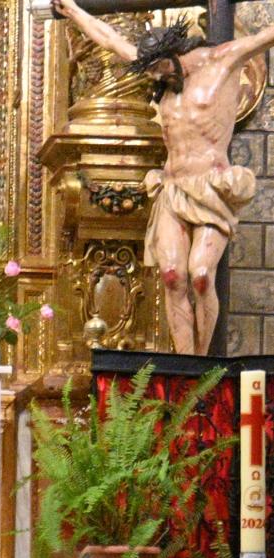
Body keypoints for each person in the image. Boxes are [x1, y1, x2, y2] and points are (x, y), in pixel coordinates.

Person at [52, 0, 274, 355]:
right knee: (172, 275)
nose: (153, 77)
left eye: (158, 68)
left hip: (210, 186)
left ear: (174, 53)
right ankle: (184, 370)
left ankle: (201, 364)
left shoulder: (223, 60)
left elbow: (266, 36)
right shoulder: (156, 70)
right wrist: (74, 11)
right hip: (172, 187)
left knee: (201, 276)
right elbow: (109, 39)